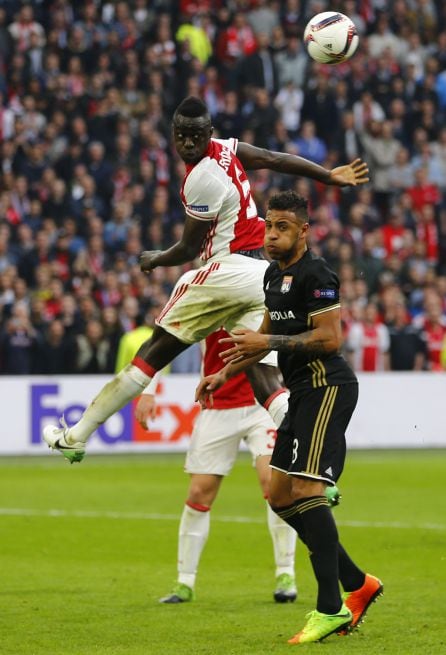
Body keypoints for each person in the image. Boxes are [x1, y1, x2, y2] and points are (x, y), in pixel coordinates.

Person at [42, 96, 369, 463]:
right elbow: (275, 159)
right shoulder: (228, 149)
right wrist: (327, 174)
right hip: (262, 275)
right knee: (260, 374)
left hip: (228, 271)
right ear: (173, 134)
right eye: (182, 135)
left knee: (151, 353)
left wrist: (155, 258)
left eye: (195, 135)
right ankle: (304, 447)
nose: (187, 142)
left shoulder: (201, 178)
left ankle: (76, 435)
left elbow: (187, 247)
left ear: (207, 133)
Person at [195, 190, 383, 645]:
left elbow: (329, 339)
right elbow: (262, 336)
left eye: (281, 227)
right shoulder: (272, 278)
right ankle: (358, 583)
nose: (271, 235)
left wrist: (272, 345)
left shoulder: (317, 274)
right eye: (268, 226)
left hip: (327, 387)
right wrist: (223, 373)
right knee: (280, 495)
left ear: (303, 231)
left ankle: (330, 607)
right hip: (301, 392)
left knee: (307, 489)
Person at [136, 328, 298, 604]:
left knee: (274, 483)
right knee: (199, 492)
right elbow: (169, 338)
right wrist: (149, 391)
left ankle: (286, 574)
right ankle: (184, 582)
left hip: (263, 403)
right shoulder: (210, 299)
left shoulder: (262, 295)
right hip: (217, 405)